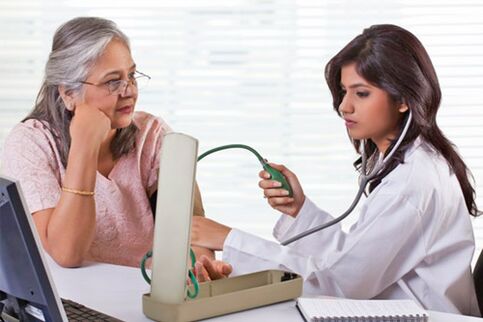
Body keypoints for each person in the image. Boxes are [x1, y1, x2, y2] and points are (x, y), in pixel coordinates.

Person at [190, 24, 481, 315]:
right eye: (344, 91)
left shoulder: (412, 183)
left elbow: (339, 283)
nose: (344, 106)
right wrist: (299, 210)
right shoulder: (412, 162)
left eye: (362, 93)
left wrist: (228, 239)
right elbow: (353, 261)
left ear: (404, 99)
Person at [0, 17, 231, 278]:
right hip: (74, 302)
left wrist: (199, 265)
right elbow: (67, 253)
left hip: (139, 295)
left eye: (131, 76)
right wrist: (84, 145)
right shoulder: (31, 143)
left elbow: (192, 228)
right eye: (113, 81)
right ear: (68, 93)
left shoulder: (152, 135)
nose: (129, 90)